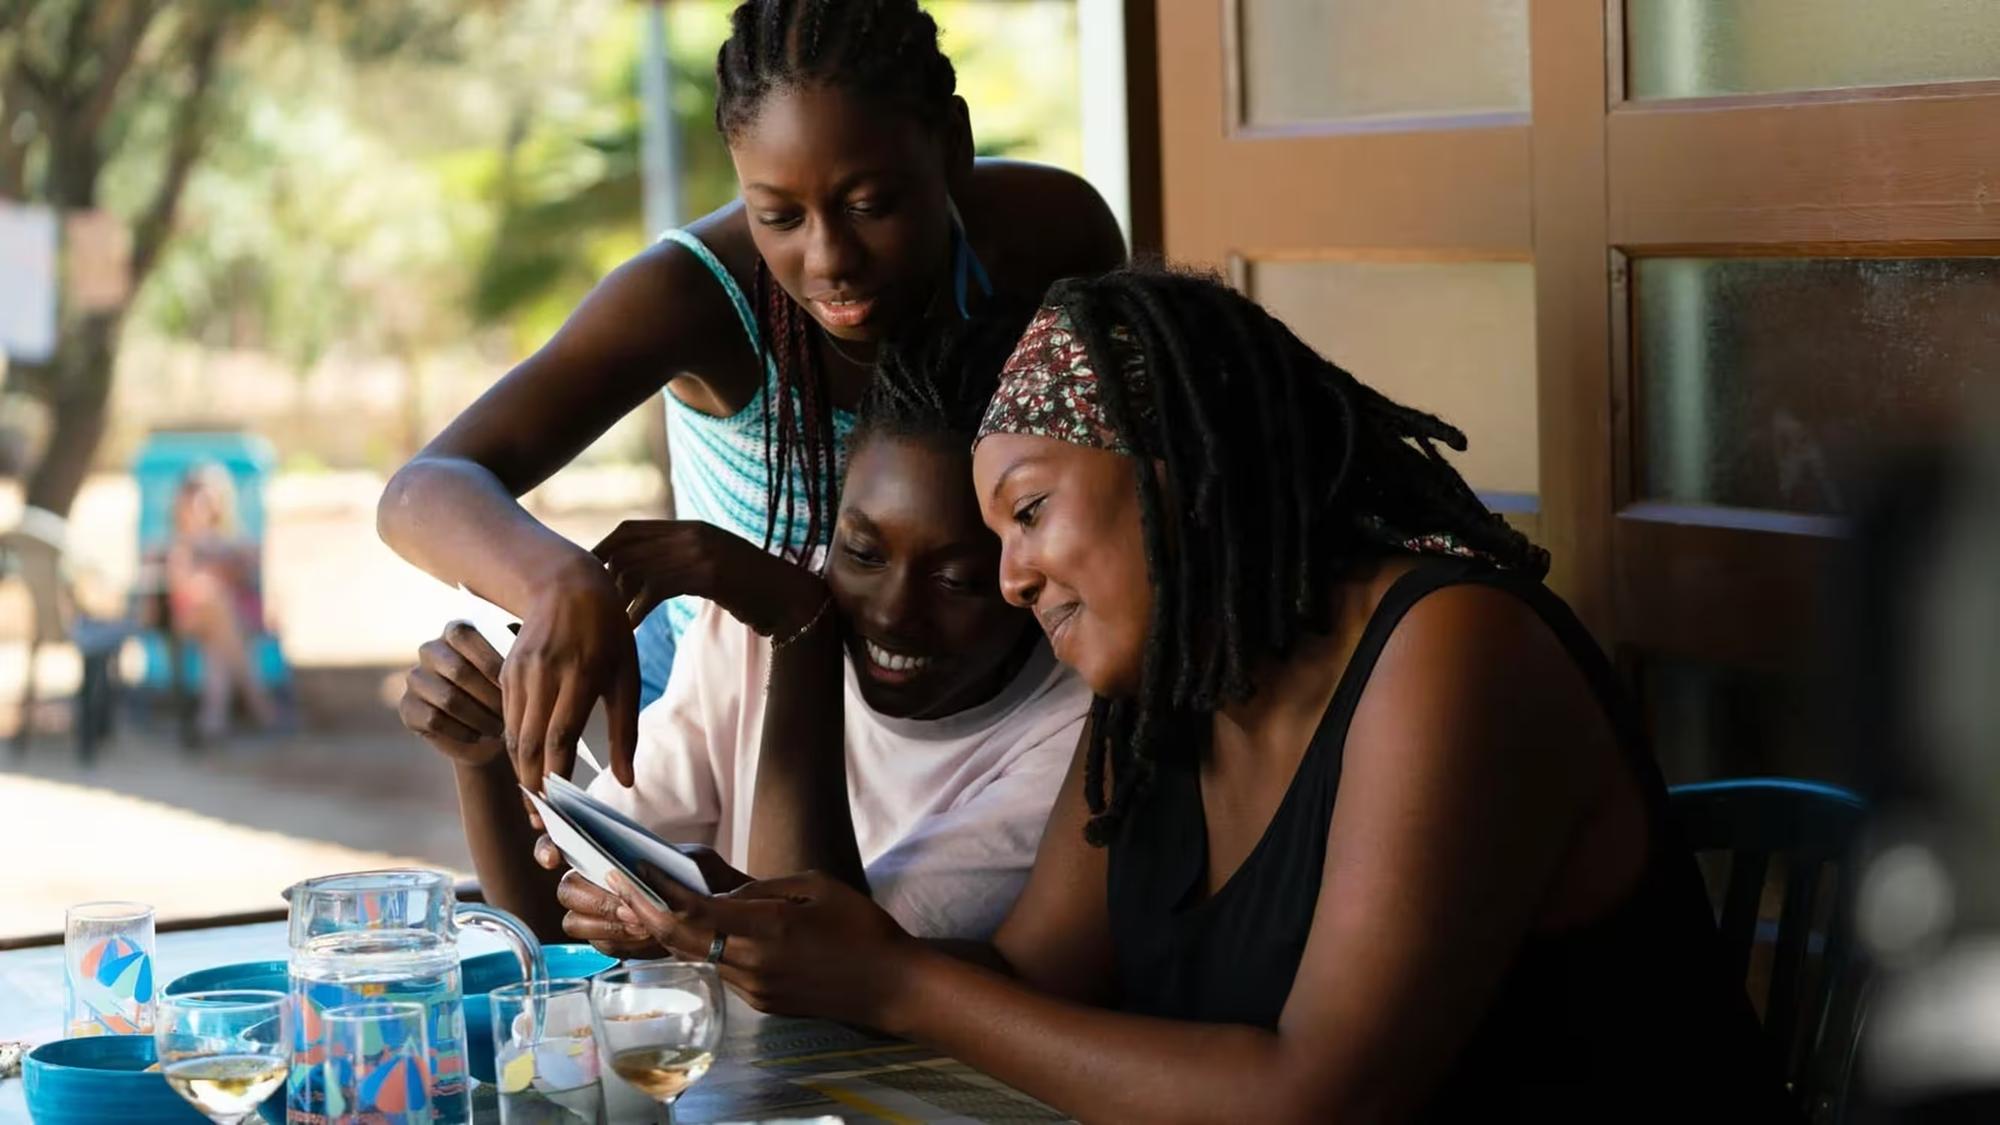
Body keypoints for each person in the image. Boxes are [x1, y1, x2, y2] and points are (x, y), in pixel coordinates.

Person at [601, 267, 1798, 1122]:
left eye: (1025, 514)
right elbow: (1030, 989)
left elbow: (1323, 1095)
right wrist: (831, 949)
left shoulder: (1451, 649)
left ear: (1176, 479)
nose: (1012, 579)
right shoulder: (1160, 694)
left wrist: (900, 982)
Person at [377, 0, 1125, 795]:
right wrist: (555, 579)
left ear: (951, 146)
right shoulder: (694, 297)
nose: (830, 257)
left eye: (870, 205)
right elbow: (425, 486)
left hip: (981, 713)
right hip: (734, 731)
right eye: (780, 216)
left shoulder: (1049, 238)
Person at [399, 312, 1091, 947]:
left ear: (1024, 573)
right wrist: (482, 755)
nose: (892, 610)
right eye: (861, 552)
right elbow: (555, 924)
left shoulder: (1069, 734)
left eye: (956, 581)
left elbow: (829, 973)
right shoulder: (751, 625)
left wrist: (805, 632)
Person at [163, 463, 277, 741]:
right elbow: (180, 585)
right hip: (193, 616)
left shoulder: (232, 540)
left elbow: (251, 574)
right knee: (214, 602)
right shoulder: (180, 543)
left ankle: (212, 719)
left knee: (217, 648)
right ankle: (258, 703)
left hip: (228, 621)